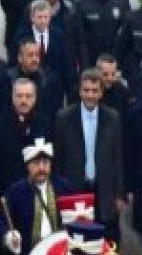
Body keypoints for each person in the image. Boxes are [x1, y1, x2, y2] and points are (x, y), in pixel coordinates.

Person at [51, 68, 124, 242]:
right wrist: (59, 192)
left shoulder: (113, 117)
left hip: (104, 190)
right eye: (86, 90)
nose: (90, 95)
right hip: (75, 189)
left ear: (101, 92)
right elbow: (58, 159)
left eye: (94, 90)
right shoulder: (63, 118)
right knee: (78, 241)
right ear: (80, 91)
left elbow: (118, 158)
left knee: (107, 241)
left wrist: (119, 194)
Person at [0, 138, 72, 255]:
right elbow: (0, 223)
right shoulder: (15, 191)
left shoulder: (63, 187)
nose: (41, 168)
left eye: (45, 163)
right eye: (36, 163)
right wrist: (8, 236)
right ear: (28, 166)